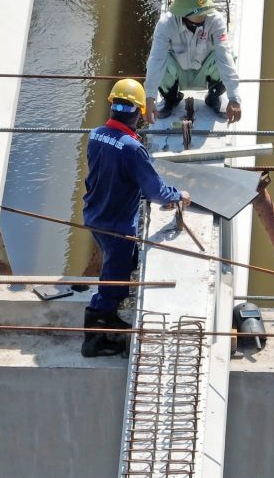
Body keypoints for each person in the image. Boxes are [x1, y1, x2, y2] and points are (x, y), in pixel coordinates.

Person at [81, 78, 191, 357]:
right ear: (139, 112)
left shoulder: (95, 135)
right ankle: (95, 338)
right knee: (114, 279)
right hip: (116, 225)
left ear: (113, 107)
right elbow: (156, 192)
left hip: (95, 215)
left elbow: (110, 173)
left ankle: (110, 315)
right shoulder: (131, 148)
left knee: (123, 262)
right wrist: (177, 196)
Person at [144, 0, 242, 124]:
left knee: (229, 56)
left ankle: (214, 97)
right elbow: (156, 59)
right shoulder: (165, 24)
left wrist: (234, 98)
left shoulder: (215, 21)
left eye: (206, 9)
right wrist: (150, 98)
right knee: (159, 62)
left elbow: (224, 57)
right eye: (200, 12)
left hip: (205, 69)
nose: (205, 14)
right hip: (178, 70)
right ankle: (171, 99)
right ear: (184, 13)